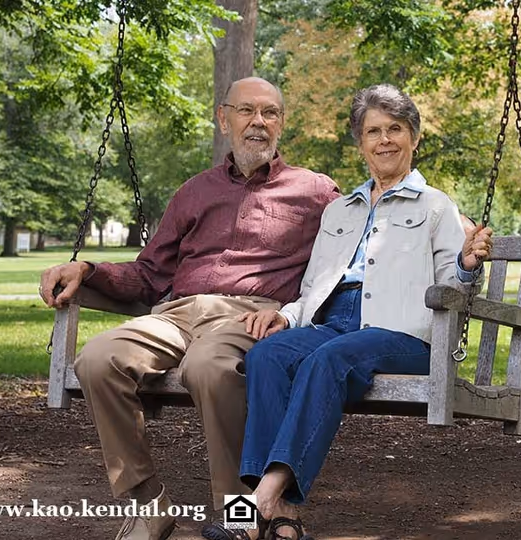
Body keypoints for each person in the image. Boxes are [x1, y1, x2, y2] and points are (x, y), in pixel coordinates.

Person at [38, 77, 339, 540]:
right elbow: (148, 273)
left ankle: (240, 517)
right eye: (246, 111)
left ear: (282, 122)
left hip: (251, 314)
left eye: (270, 113)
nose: (258, 122)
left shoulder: (316, 191)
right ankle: (148, 504)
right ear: (224, 119)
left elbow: (360, 239)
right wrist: (88, 270)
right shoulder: (194, 192)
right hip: (177, 312)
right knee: (97, 359)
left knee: (210, 367)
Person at [203, 84, 492, 540]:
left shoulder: (436, 206)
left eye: (395, 129)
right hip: (336, 323)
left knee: (328, 360)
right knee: (267, 356)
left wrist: (467, 264)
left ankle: (254, 507)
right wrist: (288, 317)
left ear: (414, 137)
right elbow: (315, 286)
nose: (385, 140)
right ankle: (282, 520)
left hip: (404, 331)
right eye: (373, 131)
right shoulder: (340, 211)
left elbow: (452, 291)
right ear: (360, 142)